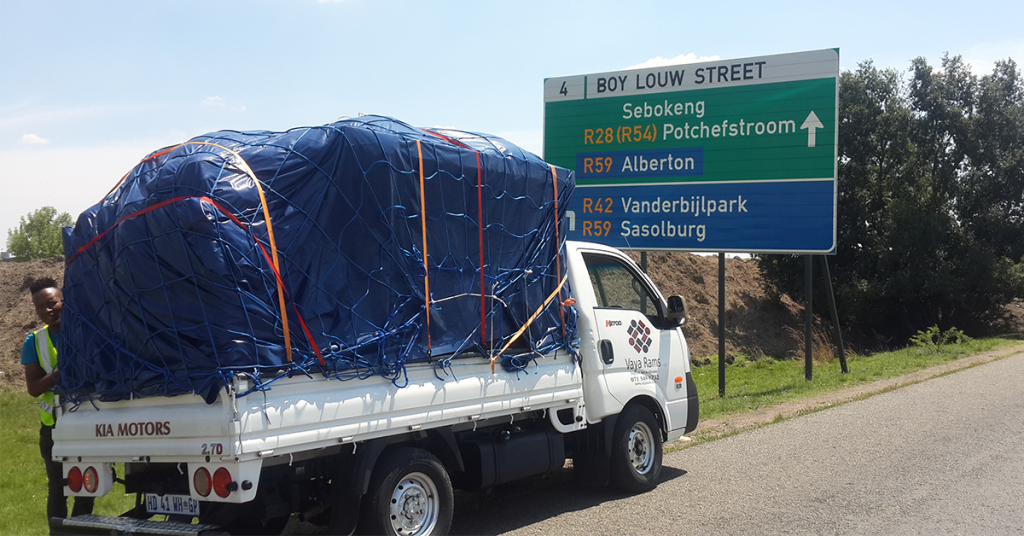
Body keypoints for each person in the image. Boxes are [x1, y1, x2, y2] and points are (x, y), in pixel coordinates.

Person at [21, 277, 94, 524]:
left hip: (89, 422)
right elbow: (33, 388)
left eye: (52, 303)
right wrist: (60, 372)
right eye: (40, 307)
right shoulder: (34, 342)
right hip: (54, 428)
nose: (47, 310)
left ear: (64, 300)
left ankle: (81, 530)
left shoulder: (88, 333)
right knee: (58, 487)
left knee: (87, 486)